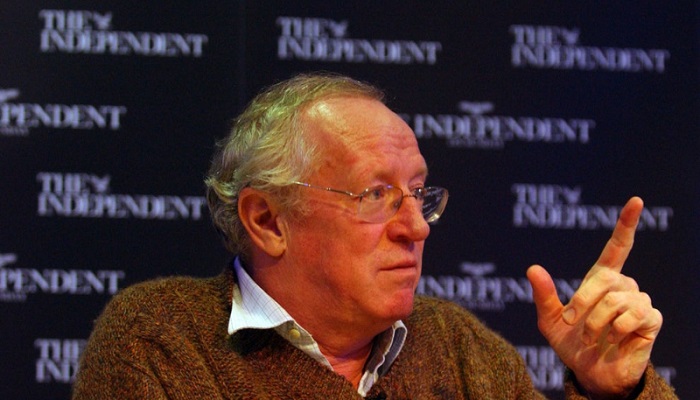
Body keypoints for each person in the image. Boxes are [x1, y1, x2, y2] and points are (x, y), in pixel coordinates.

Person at [72, 73, 676, 399]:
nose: (416, 226)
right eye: (375, 195)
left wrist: (614, 392)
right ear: (268, 221)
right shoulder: (161, 342)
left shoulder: (463, 350)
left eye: (418, 193)